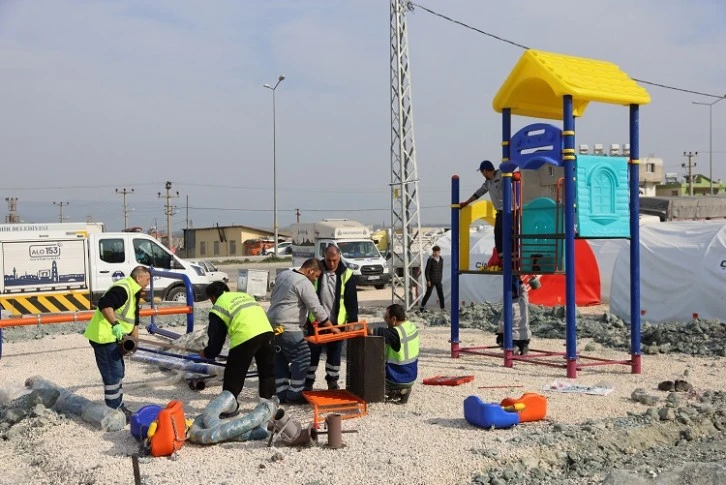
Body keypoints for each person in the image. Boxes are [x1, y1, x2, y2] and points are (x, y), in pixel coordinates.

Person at [83, 265, 151, 419]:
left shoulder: (134, 292)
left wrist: (134, 340)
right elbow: (105, 304)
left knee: (119, 372)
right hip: (104, 337)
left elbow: (134, 318)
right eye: (147, 279)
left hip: (114, 337)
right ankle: (113, 413)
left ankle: (118, 407)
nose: (148, 283)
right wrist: (115, 325)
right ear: (138, 278)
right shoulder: (123, 288)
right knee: (113, 374)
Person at [199, 281, 276, 416]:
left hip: (245, 337)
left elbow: (217, 338)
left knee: (233, 375)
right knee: (266, 372)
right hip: (267, 332)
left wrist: (208, 353)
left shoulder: (218, 307)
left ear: (212, 297)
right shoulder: (243, 296)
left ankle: (230, 407)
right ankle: (268, 406)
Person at [267, 258, 333, 404]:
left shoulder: (283, 275)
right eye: (316, 276)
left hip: (272, 326)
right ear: (310, 271)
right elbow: (315, 308)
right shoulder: (303, 282)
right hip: (287, 326)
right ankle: (295, 393)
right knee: (302, 355)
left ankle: (281, 393)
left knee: (281, 358)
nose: (315, 280)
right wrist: (331, 327)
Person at [305, 245, 358, 391]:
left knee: (334, 354)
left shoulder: (346, 274)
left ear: (339, 257)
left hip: (337, 324)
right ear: (324, 257)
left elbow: (351, 301)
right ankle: (308, 382)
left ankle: (332, 381)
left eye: (334, 260)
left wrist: (352, 321)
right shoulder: (317, 271)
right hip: (316, 323)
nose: (332, 263)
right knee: (312, 354)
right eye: (329, 260)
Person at [366, 304, 419, 404]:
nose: (385, 320)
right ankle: (404, 390)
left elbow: (370, 330)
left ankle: (394, 391)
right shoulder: (411, 326)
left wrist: (354, 327)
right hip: (410, 377)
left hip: (397, 378)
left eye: (386, 318)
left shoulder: (395, 333)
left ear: (394, 319)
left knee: (367, 384)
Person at [460, 160, 504, 266]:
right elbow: (478, 193)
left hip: (510, 211)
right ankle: (503, 260)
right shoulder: (488, 183)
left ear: (485, 170)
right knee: (498, 237)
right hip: (500, 212)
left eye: (481, 172)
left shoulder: (501, 174)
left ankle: (509, 260)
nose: (482, 174)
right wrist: (466, 202)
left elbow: (510, 170)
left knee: (508, 237)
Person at [495, 275, 540, 355]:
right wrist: (520, 280)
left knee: (500, 339)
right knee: (523, 341)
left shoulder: (508, 304)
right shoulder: (523, 300)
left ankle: (514, 347)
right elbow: (524, 290)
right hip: (526, 335)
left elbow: (503, 323)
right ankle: (523, 346)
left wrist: (500, 332)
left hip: (514, 335)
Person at [419, 245, 444, 312]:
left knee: (440, 294)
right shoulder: (430, 259)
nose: (435, 253)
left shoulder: (441, 259)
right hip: (431, 279)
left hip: (438, 279)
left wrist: (440, 278)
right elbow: (427, 271)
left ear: (439, 252)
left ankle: (442, 308)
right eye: (434, 252)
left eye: (436, 252)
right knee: (428, 293)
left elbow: (441, 270)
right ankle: (422, 307)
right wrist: (428, 280)